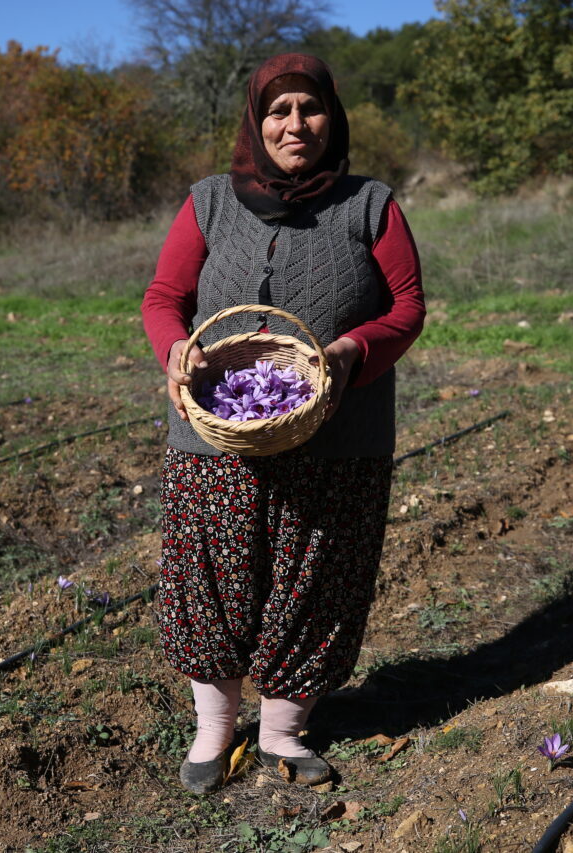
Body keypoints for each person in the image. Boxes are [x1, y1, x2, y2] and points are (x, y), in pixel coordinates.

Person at [140, 53, 425, 794]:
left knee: (316, 578)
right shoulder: (209, 201)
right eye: (278, 111)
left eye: (310, 108)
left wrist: (350, 350)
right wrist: (176, 351)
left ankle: (283, 731)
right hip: (215, 433)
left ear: (333, 118)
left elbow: (407, 308)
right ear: (255, 122)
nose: (294, 124)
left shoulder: (372, 204)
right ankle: (213, 729)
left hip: (341, 429)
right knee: (213, 578)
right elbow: (164, 298)